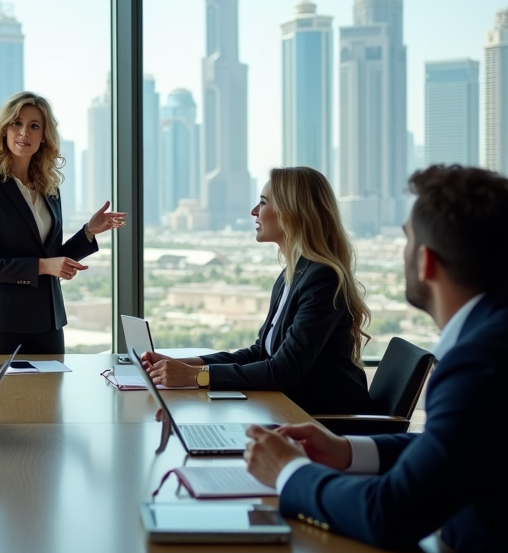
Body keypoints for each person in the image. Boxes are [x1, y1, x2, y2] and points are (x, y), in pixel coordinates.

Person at [243, 165, 508, 553]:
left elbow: (389, 515)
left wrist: (289, 473)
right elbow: (452, 447)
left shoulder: (480, 360)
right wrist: (349, 451)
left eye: (407, 240)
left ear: (426, 260)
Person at [143, 166, 373, 415]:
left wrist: (195, 376)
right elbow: (261, 353)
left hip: (328, 421)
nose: (254, 211)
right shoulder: (292, 274)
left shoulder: (322, 278)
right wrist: (184, 365)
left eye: (263, 203)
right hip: (292, 410)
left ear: (292, 212)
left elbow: (282, 371)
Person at [0, 91, 125, 355]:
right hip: (1, 325)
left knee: (50, 398)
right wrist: (41, 266)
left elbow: (52, 258)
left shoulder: (50, 188)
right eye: (17, 123)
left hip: (49, 324)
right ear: (4, 130)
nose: (24, 132)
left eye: (34, 126)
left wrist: (89, 231)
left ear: (43, 136)